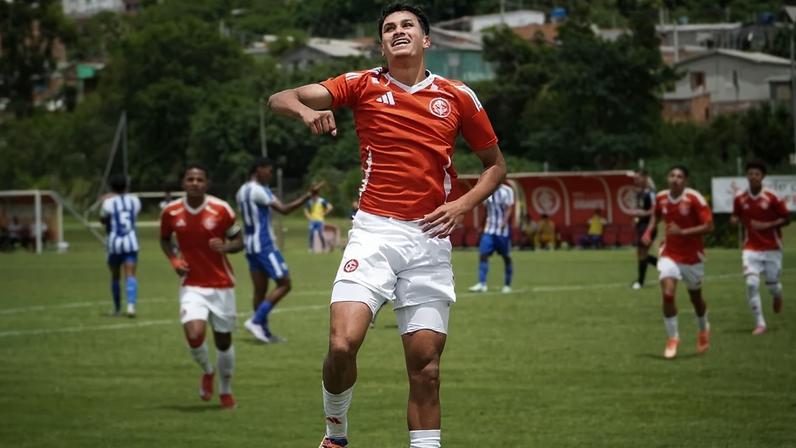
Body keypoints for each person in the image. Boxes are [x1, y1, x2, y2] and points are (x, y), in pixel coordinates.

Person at [268, 4, 506, 447]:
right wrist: (305, 113)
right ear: (381, 44)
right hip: (374, 232)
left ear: (426, 40)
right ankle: (335, 434)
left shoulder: (458, 96)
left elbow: (495, 166)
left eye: (407, 25)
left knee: (427, 368)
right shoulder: (361, 84)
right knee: (342, 344)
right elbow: (281, 97)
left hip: (430, 239)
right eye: (389, 28)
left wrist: (462, 205)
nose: (398, 32)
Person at [160, 164, 243, 409]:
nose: (195, 183)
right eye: (190, 179)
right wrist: (174, 259)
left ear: (206, 183)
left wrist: (227, 247)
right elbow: (165, 239)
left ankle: (225, 391)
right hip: (191, 285)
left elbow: (239, 240)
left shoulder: (221, 209)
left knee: (223, 342)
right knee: (194, 335)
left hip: (221, 285)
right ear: (183, 183)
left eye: (199, 179)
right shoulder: (171, 211)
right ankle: (208, 371)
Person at [236, 157, 323, 343]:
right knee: (285, 283)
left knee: (260, 291)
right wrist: (309, 195)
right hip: (264, 245)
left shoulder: (242, 190)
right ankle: (256, 321)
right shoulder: (258, 191)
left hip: (250, 245)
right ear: (258, 169)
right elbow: (284, 209)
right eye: (268, 170)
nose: (270, 175)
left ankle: (263, 332)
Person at [642, 165, 713, 360]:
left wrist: (683, 232)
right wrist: (649, 231)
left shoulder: (694, 199)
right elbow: (656, 215)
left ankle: (703, 330)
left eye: (680, 176)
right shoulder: (661, 197)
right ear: (667, 178)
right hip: (670, 253)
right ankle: (673, 338)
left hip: (692, 257)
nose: (675, 179)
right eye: (672, 175)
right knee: (667, 293)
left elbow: (709, 226)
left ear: (686, 181)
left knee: (696, 299)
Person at [730, 160, 789, 335]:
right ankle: (760, 323)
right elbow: (736, 216)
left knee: (772, 286)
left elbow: (786, 218)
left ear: (763, 177)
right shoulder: (740, 198)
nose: (753, 177)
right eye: (750, 174)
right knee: (751, 283)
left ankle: (777, 295)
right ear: (747, 176)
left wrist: (767, 225)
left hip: (772, 247)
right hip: (751, 248)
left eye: (757, 174)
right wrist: (733, 220)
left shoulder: (772, 197)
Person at [100, 175, 141, 317]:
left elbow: (103, 220)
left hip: (114, 243)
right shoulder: (135, 201)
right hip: (131, 242)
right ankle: (131, 306)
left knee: (115, 276)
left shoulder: (108, 203)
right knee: (130, 275)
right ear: (126, 186)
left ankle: (117, 308)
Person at [468, 183, 514, 293]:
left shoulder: (507, 190)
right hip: (489, 230)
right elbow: (487, 211)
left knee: (506, 257)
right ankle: (482, 284)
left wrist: (504, 222)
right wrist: (482, 225)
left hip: (502, 232)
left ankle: (507, 285)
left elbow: (509, 208)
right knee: (483, 255)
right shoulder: (487, 190)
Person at [631, 169, 658, 290]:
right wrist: (636, 216)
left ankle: (640, 282)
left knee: (642, 253)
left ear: (645, 177)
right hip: (641, 225)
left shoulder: (652, 193)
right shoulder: (639, 192)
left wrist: (643, 214)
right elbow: (639, 208)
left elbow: (655, 210)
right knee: (641, 253)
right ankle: (665, 267)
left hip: (649, 225)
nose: (635, 180)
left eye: (638, 178)